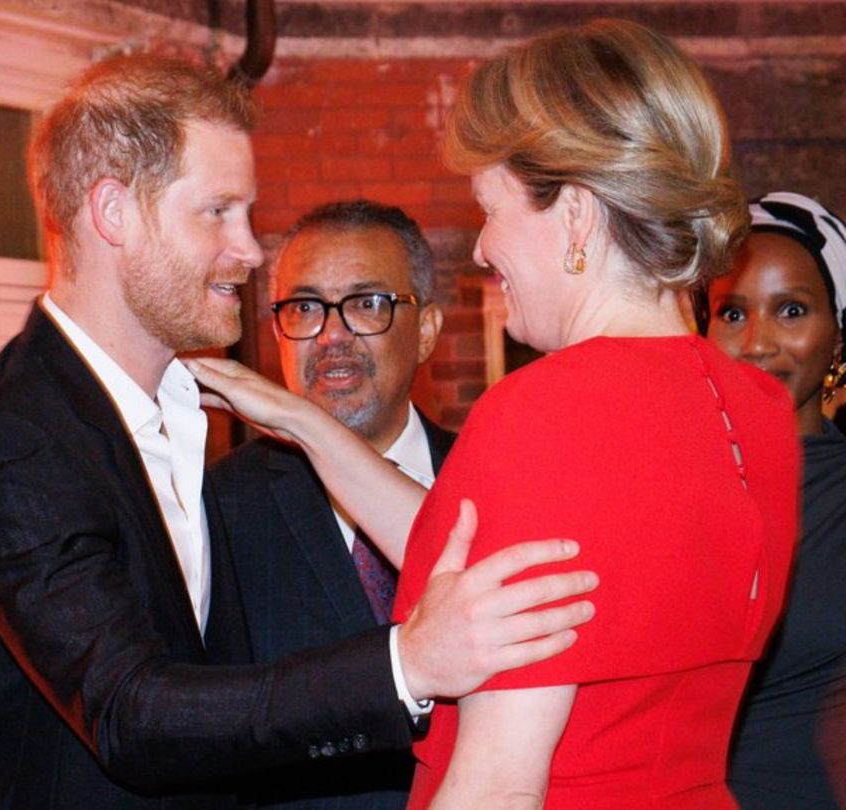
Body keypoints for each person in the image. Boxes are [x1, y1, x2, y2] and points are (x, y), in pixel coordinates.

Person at [0, 55, 598, 808]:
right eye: (217, 212)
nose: (251, 251)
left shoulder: (183, 411)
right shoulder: (14, 443)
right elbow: (133, 714)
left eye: (248, 214)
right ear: (113, 214)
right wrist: (408, 664)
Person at [188, 19, 800, 809]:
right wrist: (305, 423)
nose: (481, 249)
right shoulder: (758, 408)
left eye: (492, 209)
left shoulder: (546, 410)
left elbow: (498, 783)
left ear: (576, 216)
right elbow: (488, 564)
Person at [209, 200, 453, 808]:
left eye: (368, 303)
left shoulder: (495, 479)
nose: (332, 335)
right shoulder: (219, 507)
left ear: (426, 331)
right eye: (306, 307)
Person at [708, 191, 846, 808]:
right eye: (732, 314)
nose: (757, 343)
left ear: (839, 336)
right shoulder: (664, 484)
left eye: (791, 310)